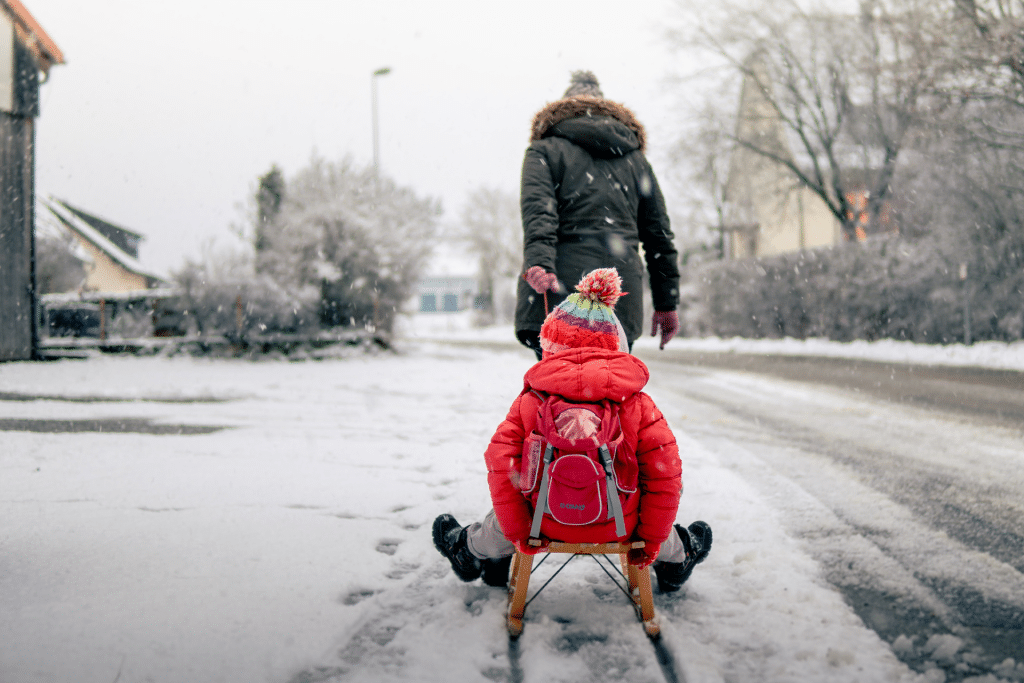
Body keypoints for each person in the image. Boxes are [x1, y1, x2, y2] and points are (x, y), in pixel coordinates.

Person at [433, 268, 710, 592]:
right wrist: (649, 541)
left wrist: (521, 532)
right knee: (651, 502)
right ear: (614, 345)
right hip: (621, 527)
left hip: (544, 523)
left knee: (507, 509)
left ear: (549, 346)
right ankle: (678, 558)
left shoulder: (530, 403)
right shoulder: (636, 404)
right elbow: (666, 474)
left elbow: (500, 463)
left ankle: (470, 549)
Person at [515, 70, 681, 361]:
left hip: (562, 291)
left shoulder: (544, 151)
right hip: (618, 293)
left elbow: (539, 215)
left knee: (558, 391)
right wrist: (666, 303)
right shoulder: (635, 160)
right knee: (612, 390)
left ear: (563, 109)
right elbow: (658, 236)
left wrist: (540, 262)